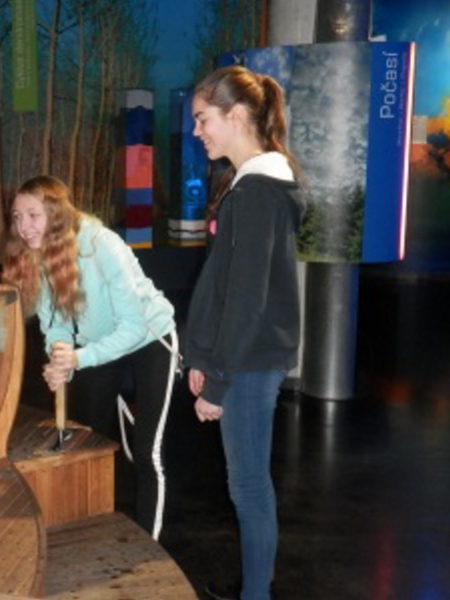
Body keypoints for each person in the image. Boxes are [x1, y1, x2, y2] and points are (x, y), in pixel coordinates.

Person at [183, 66, 305, 600]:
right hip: (242, 356)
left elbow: (247, 298)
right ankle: (257, 582)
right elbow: (224, 284)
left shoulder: (258, 192)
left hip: (251, 361)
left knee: (250, 487)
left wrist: (218, 381)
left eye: (202, 119)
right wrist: (201, 355)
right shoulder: (249, 186)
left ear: (235, 116)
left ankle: (257, 593)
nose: (197, 132)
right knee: (248, 484)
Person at [1, 175, 178, 541]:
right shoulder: (40, 252)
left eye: (33, 215)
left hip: (150, 338)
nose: (23, 226)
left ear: (55, 215)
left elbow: (133, 327)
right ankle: (91, 530)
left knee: (147, 451)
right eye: (17, 216)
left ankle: (150, 546)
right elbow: (56, 323)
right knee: (88, 441)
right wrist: (60, 361)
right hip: (97, 345)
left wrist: (78, 360)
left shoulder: (102, 245)